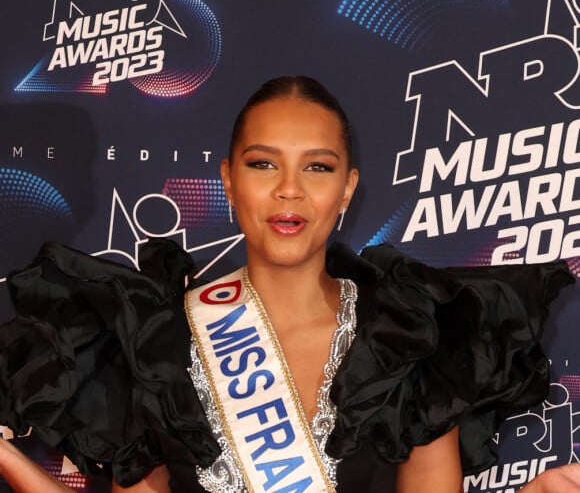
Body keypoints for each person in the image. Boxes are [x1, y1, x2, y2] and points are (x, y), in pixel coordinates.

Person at [0, 76, 578, 492]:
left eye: (318, 167)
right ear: (228, 180)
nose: (290, 190)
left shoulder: (408, 334)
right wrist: (9, 462)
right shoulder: (155, 339)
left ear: (348, 188)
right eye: (263, 163)